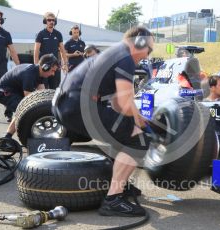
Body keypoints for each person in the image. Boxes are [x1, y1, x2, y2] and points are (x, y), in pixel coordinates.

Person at [53, 26, 154, 217]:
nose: (148, 56)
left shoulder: (116, 53)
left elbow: (117, 103)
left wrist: (136, 118)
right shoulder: (125, 57)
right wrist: (139, 122)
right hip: (76, 106)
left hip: (66, 104)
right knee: (138, 139)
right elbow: (125, 104)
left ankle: (119, 185)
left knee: (124, 131)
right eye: (149, 50)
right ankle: (113, 199)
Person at [0, 54, 59, 140]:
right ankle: (6, 138)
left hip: (16, 90)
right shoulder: (29, 74)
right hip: (3, 92)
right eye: (52, 71)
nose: (53, 74)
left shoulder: (41, 74)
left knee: (33, 108)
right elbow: (28, 99)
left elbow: (42, 95)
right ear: (45, 67)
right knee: (23, 110)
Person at [34, 12, 68, 89]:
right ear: (45, 21)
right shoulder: (40, 34)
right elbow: (36, 51)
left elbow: (62, 51)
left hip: (55, 66)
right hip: (43, 66)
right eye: (49, 20)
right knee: (43, 89)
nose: (51, 22)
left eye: (53, 20)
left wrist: (65, 63)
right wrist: (36, 66)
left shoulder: (58, 34)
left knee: (55, 89)